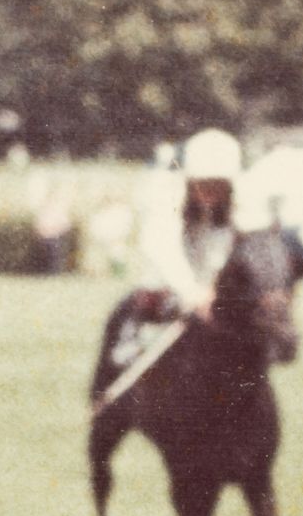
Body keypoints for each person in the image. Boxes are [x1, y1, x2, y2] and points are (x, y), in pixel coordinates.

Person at [94, 128, 244, 402]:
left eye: (219, 183)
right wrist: (191, 292)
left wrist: (214, 286)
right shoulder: (167, 194)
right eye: (204, 182)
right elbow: (160, 246)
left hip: (213, 294)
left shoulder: (239, 204)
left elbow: (231, 247)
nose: (211, 191)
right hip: (169, 289)